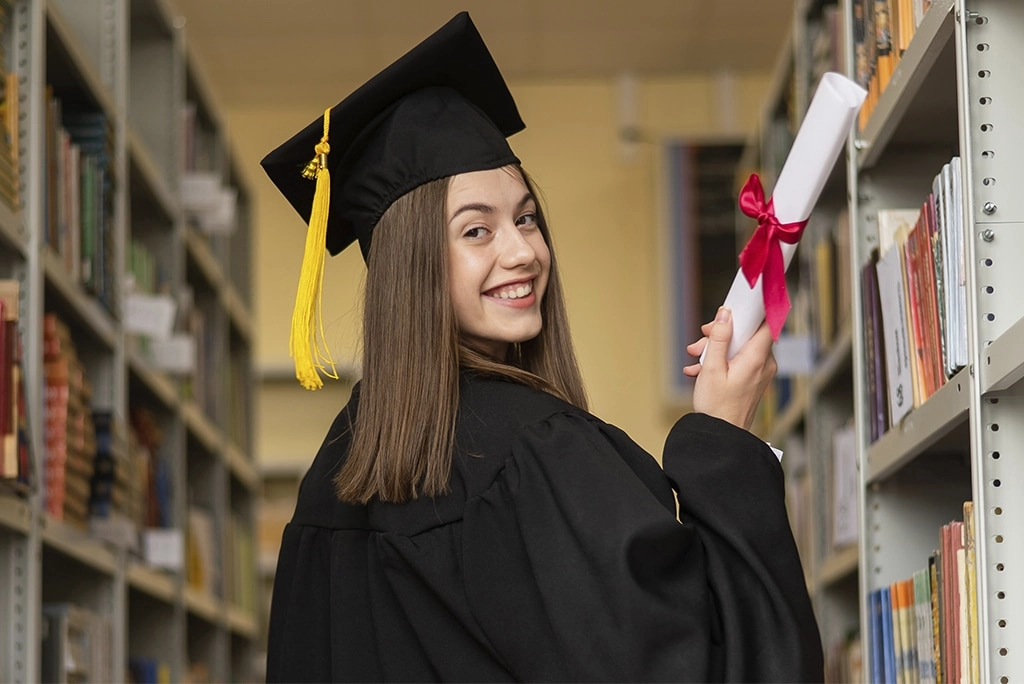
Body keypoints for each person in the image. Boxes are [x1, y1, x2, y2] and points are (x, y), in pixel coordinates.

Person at [262, 12, 824, 683]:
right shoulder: (535, 452)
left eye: (526, 218)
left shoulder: (335, 474)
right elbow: (706, 665)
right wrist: (722, 445)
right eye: (477, 231)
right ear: (410, 264)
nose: (523, 251)